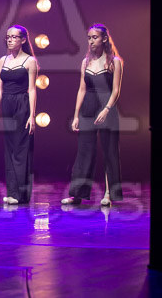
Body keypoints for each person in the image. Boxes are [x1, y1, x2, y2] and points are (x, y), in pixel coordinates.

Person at [62, 23, 124, 206]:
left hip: (107, 107)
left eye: (94, 37)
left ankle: (108, 194)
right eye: (89, 38)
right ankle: (77, 194)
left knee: (110, 151)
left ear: (104, 39)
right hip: (88, 107)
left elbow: (116, 90)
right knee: (84, 151)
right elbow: (82, 89)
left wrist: (106, 109)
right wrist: (76, 115)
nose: (91, 41)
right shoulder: (86, 62)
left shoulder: (114, 61)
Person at [0, 25, 38, 205]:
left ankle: (20, 194)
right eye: (8, 37)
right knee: (9, 149)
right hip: (7, 105)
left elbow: (32, 90)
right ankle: (12, 192)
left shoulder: (30, 61)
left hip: (22, 104)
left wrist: (32, 115)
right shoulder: (3, 60)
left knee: (21, 148)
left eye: (14, 37)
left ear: (23, 40)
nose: (9, 40)